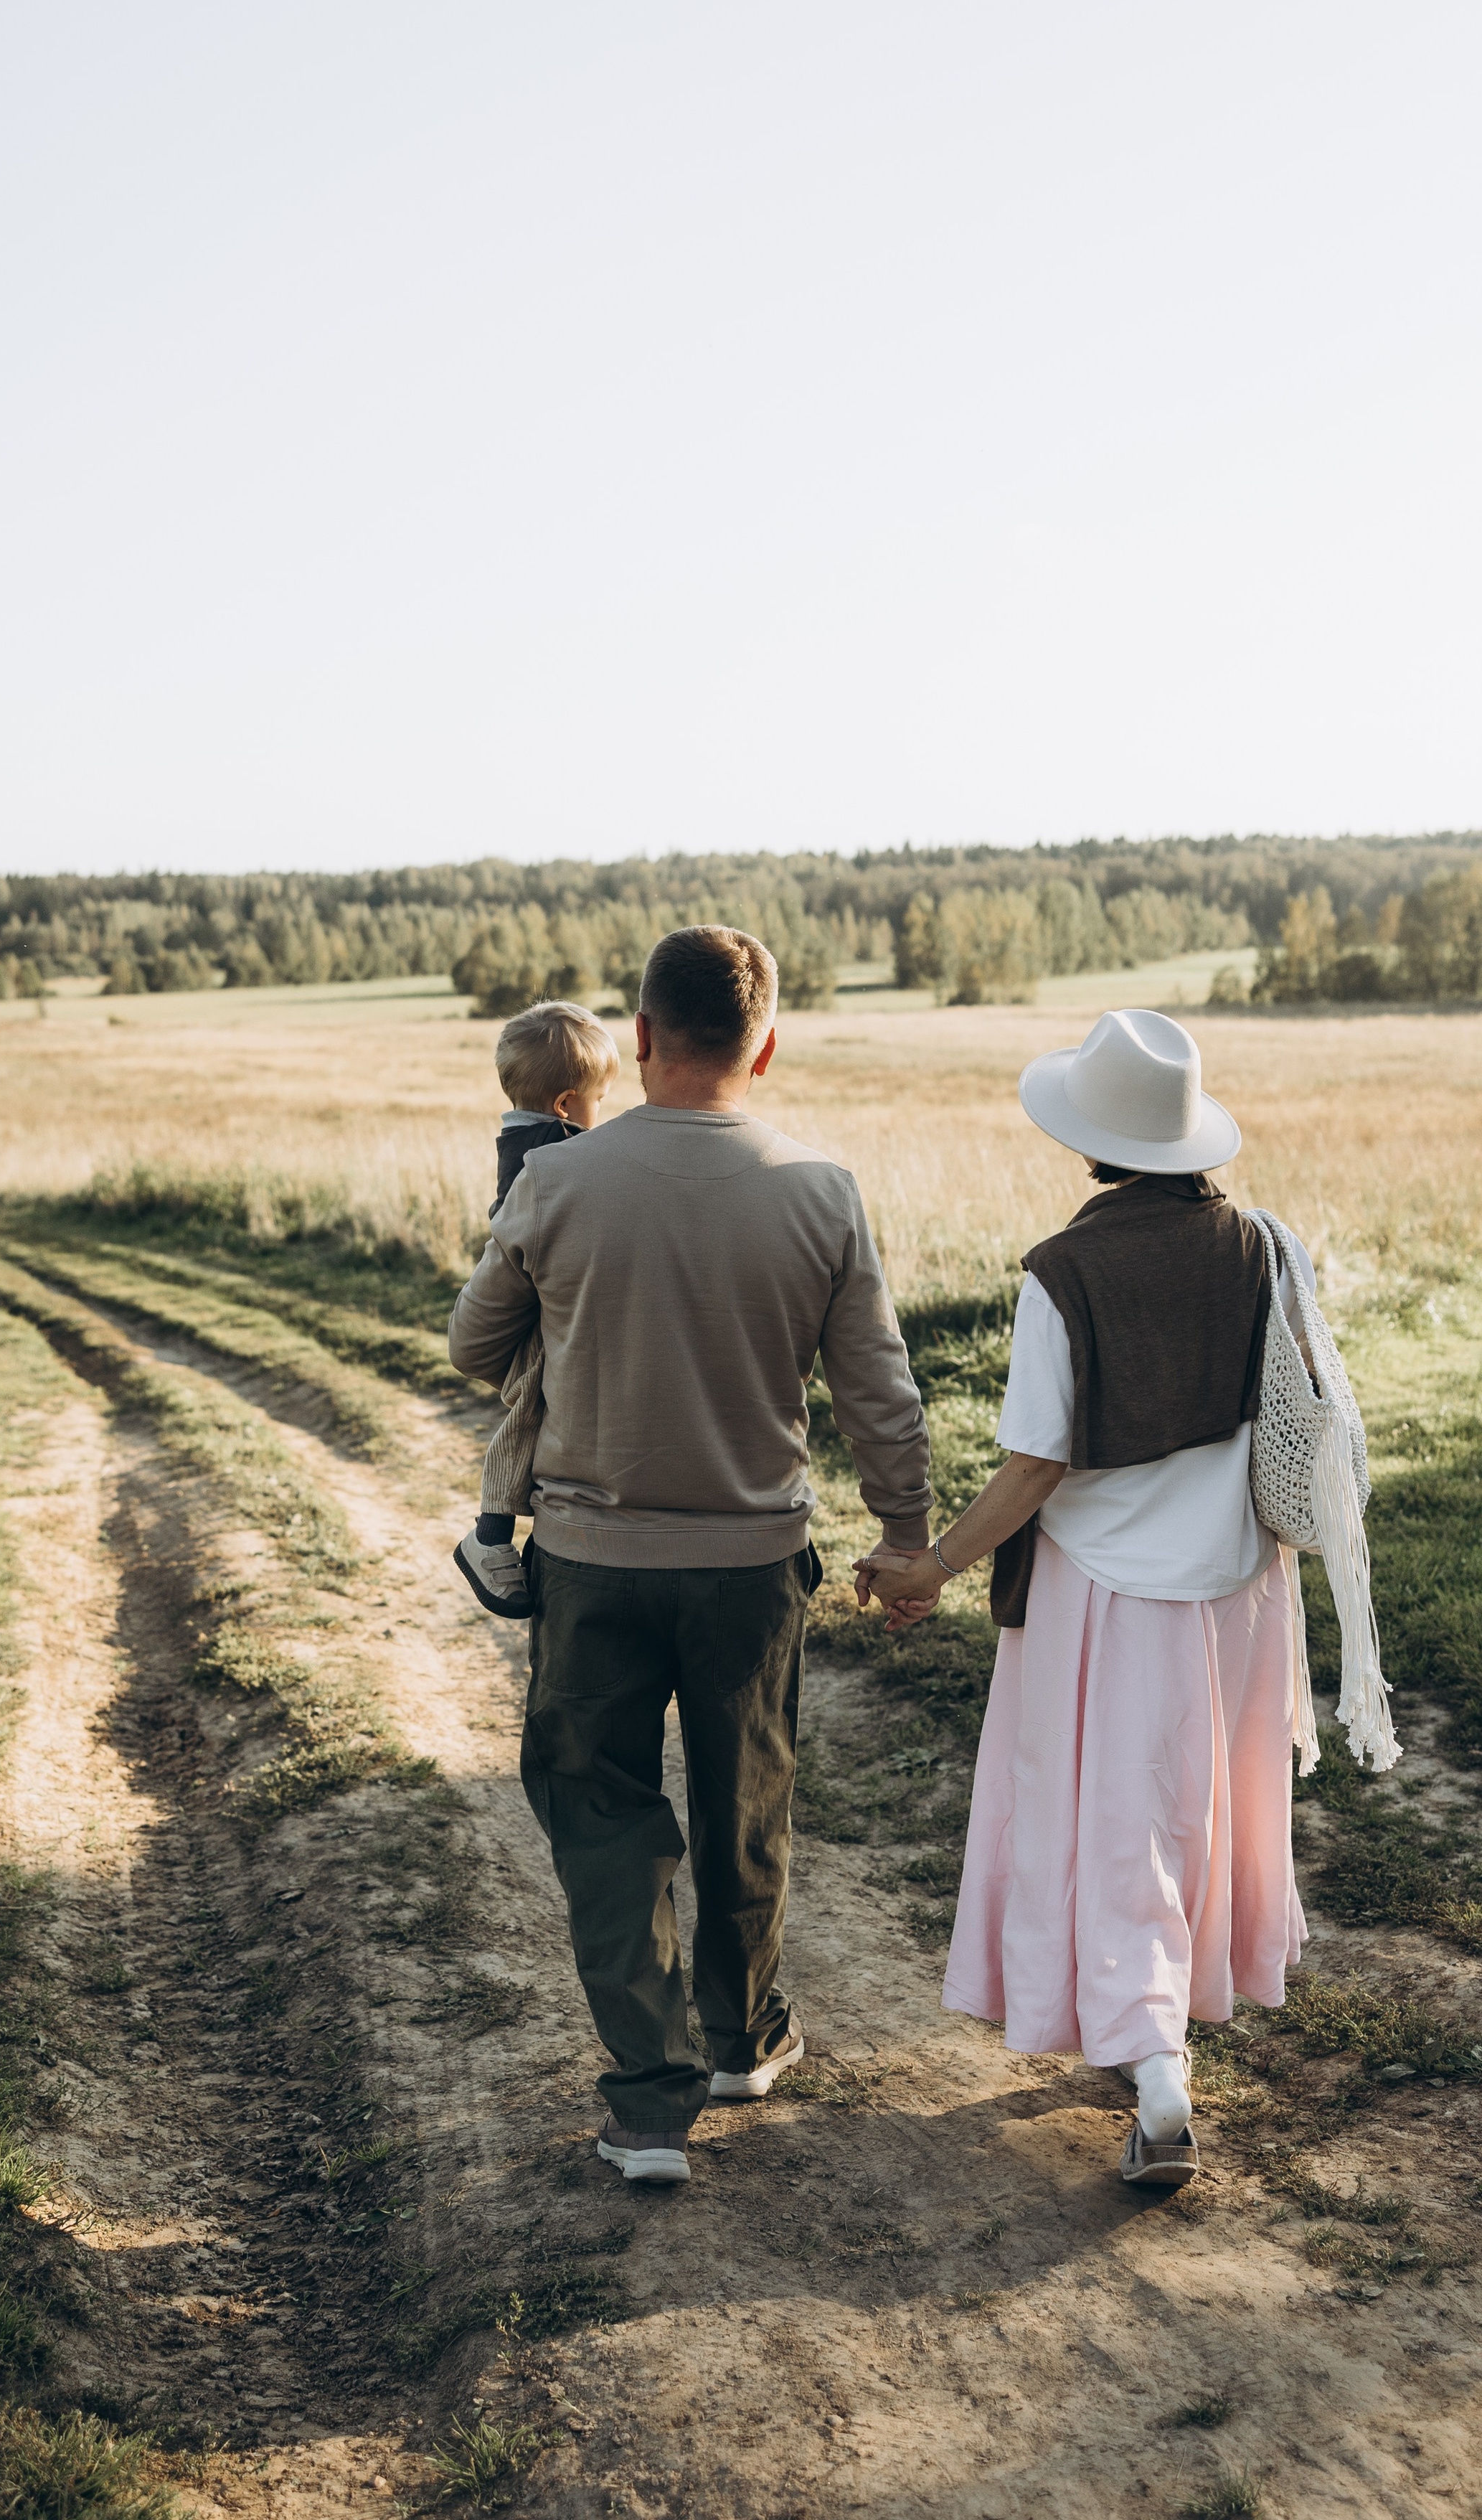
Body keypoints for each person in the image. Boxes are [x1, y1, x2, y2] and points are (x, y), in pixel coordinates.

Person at [448, 926, 932, 2185]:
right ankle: (744, 2040)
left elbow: (471, 1347)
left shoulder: (556, 1186)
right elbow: (879, 1391)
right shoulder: (822, 1189)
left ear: (645, 1038)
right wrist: (906, 1532)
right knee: (745, 1799)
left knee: (599, 1808)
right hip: (753, 1563)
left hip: (593, 1562)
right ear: (765, 1045)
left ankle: (649, 2104)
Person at [859, 1008, 1318, 2191]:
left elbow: (1033, 1465)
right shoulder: (1265, 1245)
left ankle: (1155, 2072)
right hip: (1241, 1592)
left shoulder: (1065, 1272)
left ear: (1092, 1142)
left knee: (1119, 1825)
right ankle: (1156, 2032)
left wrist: (931, 1567)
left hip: (1106, 1594)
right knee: (1191, 1812)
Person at [452, 1000, 621, 1619]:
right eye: (599, 1102)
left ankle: (496, 1531)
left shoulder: (538, 1138)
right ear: (565, 1105)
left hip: (543, 1291)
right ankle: (489, 1536)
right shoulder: (555, 1150)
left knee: (534, 1404)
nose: (604, 1117)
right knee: (528, 1408)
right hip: (539, 1302)